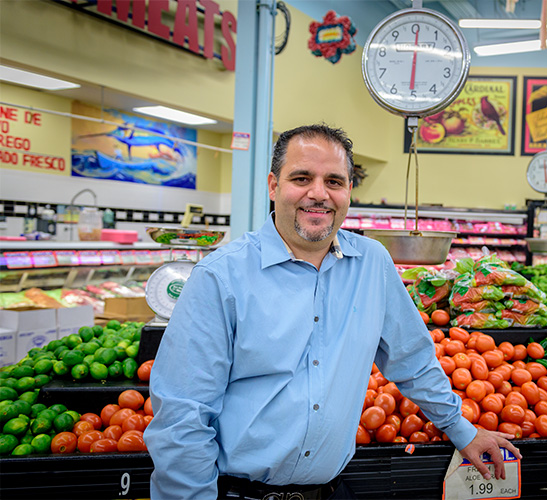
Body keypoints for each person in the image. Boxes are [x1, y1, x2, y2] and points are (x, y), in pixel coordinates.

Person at [143, 124, 522, 499]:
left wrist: (462, 429)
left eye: (334, 182)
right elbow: (183, 417)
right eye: (302, 178)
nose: (319, 194)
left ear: (348, 192)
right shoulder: (220, 277)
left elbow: (413, 360)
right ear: (274, 186)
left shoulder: (372, 263)